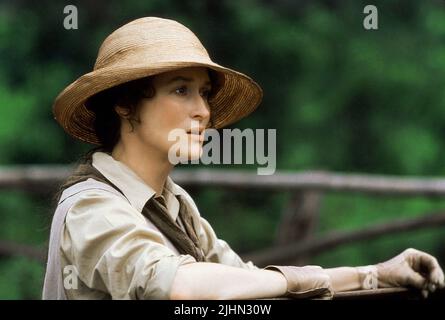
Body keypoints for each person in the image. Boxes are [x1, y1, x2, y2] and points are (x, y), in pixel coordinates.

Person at [42, 17, 444, 300]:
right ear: (126, 105)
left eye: (203, 93)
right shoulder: (92, 206)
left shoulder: (176, 204)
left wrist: (374, 274)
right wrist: (291, 284)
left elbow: (241, 280)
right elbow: (180, 286)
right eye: (181, 90)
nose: (202, 111)